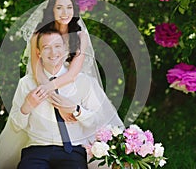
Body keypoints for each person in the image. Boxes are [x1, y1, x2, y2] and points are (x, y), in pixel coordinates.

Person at [13, 30, 123, 168]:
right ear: (38, 53)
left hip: (72, 151)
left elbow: (97, 122)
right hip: (36, 151)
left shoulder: (84, 82)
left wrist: (76, 110)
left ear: (65, 50)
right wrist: (27, 106)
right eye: (46, 47)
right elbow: (16, 126)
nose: (53, 53)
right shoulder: (26, 84)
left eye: (57, 46)